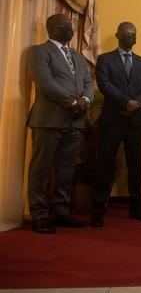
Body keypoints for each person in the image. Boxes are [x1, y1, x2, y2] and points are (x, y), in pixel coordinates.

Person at [27, 13, 94, 234]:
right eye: (63, 25)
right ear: (50, 28)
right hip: (48, 120)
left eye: (71, 25)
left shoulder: (78, 56)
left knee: (66, 170)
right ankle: (40, 215)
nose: (69, 28)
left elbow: (87, 83)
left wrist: (85, 100)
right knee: (41, 169)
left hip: (75, 121)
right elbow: (45, 82)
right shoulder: (38, 52)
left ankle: (62, 212)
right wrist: (72, 102)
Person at [91, 22, 141, 227]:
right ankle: (98, 210)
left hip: (134, 121)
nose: (130, 36)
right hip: (112, 120)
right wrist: (125, 101)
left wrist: (137, 103)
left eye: (133, 33)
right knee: (105, 165)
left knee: (135, 167)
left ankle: (137, 208)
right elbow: (104, 84)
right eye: (126, 33)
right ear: (118, 35)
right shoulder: (105, 59)